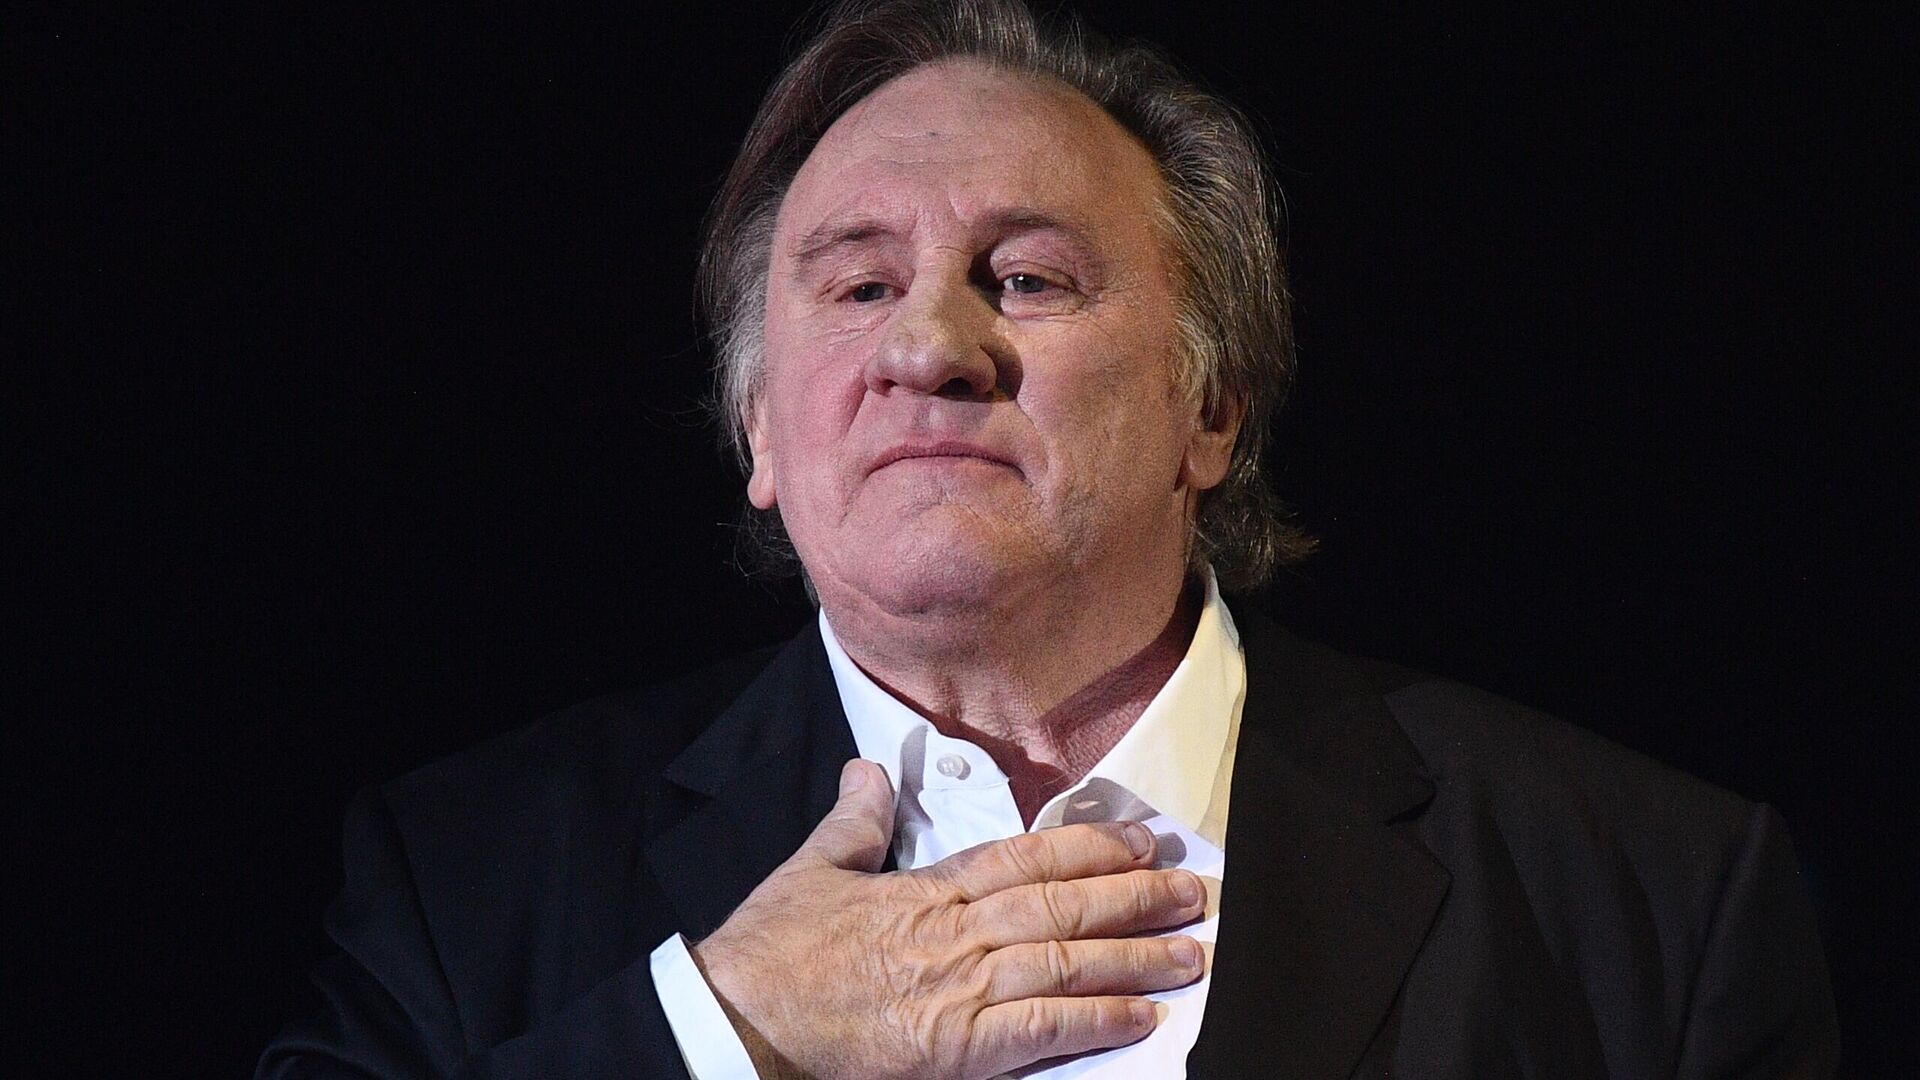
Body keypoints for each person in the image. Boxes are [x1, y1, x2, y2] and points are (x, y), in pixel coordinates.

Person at [258, 1, 1838, 1076]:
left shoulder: (1649, 900)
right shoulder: (467, 883)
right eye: (858, 284)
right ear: (760, 430)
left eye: (1025, 279)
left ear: (1211, 405)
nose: (928, 348)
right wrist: (724, 1033)